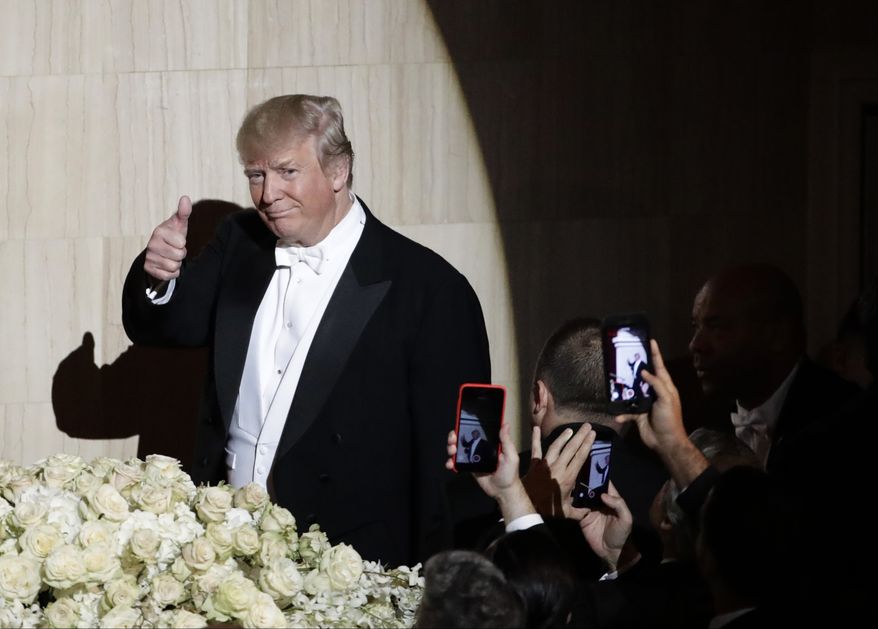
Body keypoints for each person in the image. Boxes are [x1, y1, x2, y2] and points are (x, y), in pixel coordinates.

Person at [122, 94, 491, 567]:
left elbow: (459, 465)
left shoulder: (433, 290)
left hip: (350, 569)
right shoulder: (240, 242)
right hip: (221, 552)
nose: (267, 193)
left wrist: (442, 588)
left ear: (338, 171)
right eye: (255, 175)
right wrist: (158, 276)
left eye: (286, 171)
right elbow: (169, 325)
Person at [688, 263, 860, 472]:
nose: (695, 345)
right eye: (696, 327)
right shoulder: (696, 419)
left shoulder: (846, 417)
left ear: (777, 336)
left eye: (716, 327)